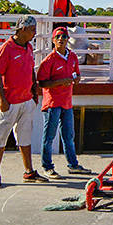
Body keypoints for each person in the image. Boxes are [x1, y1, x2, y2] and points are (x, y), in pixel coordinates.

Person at [0, 16, 49, 188]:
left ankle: (28, 171)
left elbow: (31, 69)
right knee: (0, 136)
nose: (34, 33)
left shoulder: (28, 47)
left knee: (25, 136)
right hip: (10, 101)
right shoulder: (6, 48)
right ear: (22, 29)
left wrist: (34, 92)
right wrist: (2, 99)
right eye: (32, 30)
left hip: (26, 100)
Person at [36, 26, 92, 178]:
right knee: (49, 137)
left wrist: (76, 78)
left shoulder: (72, 57)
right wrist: (61, 82)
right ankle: (47, 166)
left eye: (64, 37)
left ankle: (73, 165)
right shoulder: (49, 60)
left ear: (68, 40)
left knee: (68, 136)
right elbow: (42, 83)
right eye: (58, 37)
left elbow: (76, 73)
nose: (61, 39)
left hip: (66, 103)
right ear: (53, 40)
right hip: (52, 103)